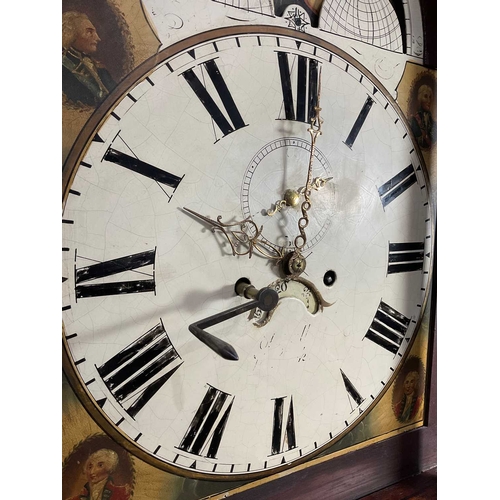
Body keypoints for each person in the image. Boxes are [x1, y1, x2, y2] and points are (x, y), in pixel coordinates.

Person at [62, 11, 117, 106]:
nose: (98, 38)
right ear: (70, 34)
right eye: (89, 32)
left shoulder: (101, 70)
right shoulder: (63, 69)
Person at [66, 448, 131, 500]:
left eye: (100, 465)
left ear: (109, 467)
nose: (92, 472)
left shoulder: (121, 493)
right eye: (90, 466)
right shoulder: (78, 497)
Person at [409, 84, 436, 149]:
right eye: (425, 96)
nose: (428, 101)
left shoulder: (432, 122)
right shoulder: (414, 119)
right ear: (420, 98)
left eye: (430, 97)